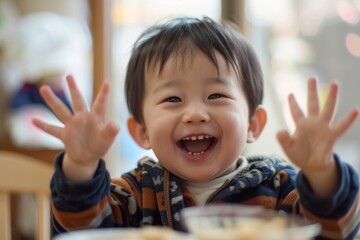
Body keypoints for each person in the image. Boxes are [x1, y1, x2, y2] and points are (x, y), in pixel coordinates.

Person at [33, 17, 360, 239]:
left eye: (216, 95)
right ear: (141, 131)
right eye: (173, 98)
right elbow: (77, 228)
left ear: (252, 124)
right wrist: (81, 166)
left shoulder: (281, 190)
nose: (195, 113)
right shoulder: (134, 194)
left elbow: (338, 231)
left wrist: (321, 172)